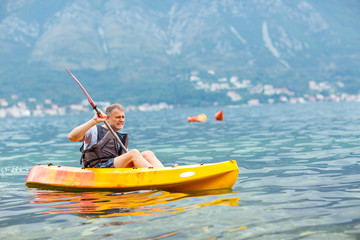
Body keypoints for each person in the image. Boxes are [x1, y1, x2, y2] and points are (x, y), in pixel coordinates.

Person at [68, 104, 164, 168]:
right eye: (118, 117)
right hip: (98, 168)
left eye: (123, 117)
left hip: (113, 168)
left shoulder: (118, 136)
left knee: (147, 154)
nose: (121, 120)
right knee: (133, 153)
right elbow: (72, 137)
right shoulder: (95, 130)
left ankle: (164, 173)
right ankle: (156, 175)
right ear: (108, 119)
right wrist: (93, 121)